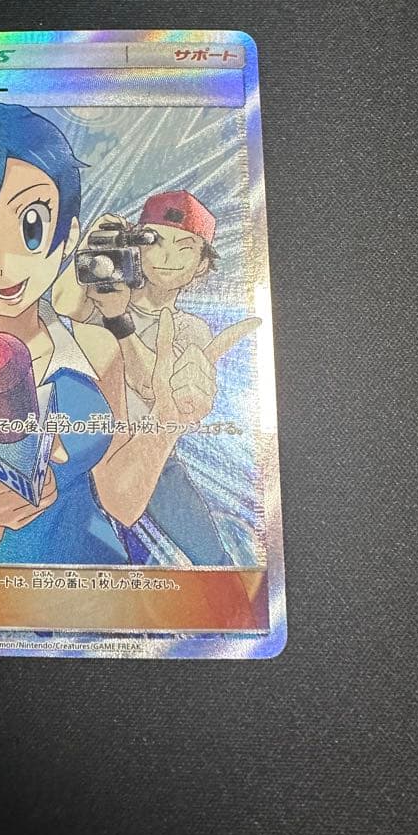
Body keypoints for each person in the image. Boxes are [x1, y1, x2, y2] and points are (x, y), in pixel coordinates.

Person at [0, 104, 218, 608]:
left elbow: (120, 502)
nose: (3, 266)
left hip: (97, 588)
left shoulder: (97, 346)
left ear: (68, 235)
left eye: (30, 227)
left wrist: (167, 420)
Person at [52, 190, 259, 565]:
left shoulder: (190, 328)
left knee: (213, 559)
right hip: (87, 451)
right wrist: (90, 244)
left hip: (153, 457)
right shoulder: (108, 291)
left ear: (201, 264)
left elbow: (153, 387)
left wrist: (119, 321)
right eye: (154, 241)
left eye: (185, 248)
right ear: (136, 247)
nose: (166, 257)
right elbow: (64, 303)